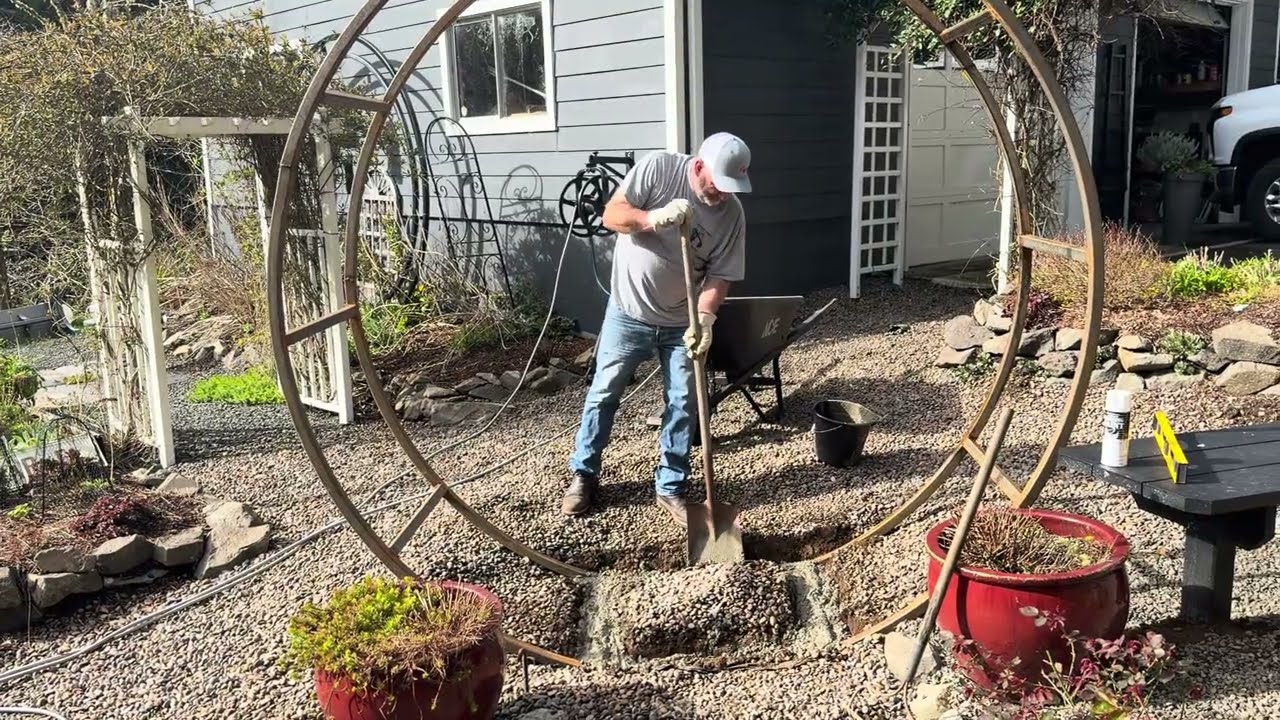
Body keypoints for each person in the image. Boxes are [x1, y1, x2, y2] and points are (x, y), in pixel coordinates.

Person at [562, 132, 752, 526]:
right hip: (627, 311)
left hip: (680, 321)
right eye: (718, 185)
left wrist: (706, 320)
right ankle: (584, 474)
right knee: (603, 393)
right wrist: (652, 218)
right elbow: (611, 214)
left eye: (731, 188)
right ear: (699, 167)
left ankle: (671, 487)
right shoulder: (659, 168)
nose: (722, 195)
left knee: (685, 403)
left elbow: (720, 275)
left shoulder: (731, 214)